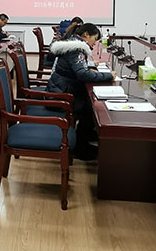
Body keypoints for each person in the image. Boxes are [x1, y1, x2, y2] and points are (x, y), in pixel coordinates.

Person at [47, 23, 116, 160]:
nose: (95, 43)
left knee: (90, 103)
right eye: (94, 39)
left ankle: (86, 137)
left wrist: (88, 68)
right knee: (91, 108)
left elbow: (77, 68)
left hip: (61, 88)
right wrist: (109, 76)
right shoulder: (77, 49)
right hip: (60, 95)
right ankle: (81, 147)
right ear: (86, 35)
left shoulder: (73, 44)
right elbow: (82, 75)